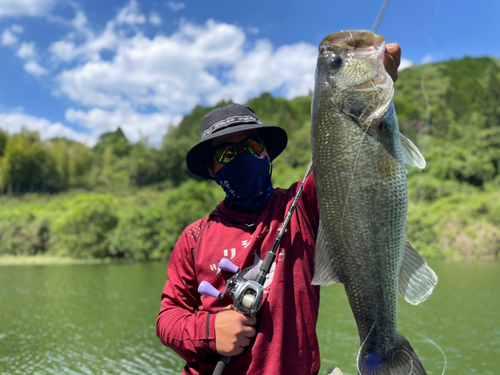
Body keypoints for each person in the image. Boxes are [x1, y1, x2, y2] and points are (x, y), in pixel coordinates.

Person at [156, 44, 402, 375]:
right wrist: (209, 332)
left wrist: (366, 91)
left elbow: (347, 163)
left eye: (252, 146)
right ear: (212, 170)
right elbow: (169, 317)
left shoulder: (303, 206)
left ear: (268, 155)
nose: (243, 156)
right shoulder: (195, 237)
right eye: (227, 154)